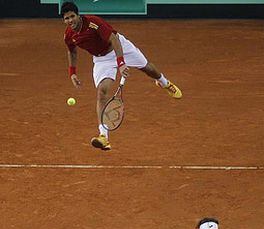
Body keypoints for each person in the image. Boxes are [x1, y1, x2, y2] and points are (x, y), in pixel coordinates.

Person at [61, 1, 182, 151]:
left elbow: (114, 39)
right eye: (66, 18)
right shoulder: (69, 35)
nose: (70, 20)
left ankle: (164, 82)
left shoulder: (94, 22)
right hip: (101, 60)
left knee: (148, 69)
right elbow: (71, 51)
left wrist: (121, 63)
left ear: (78, 15)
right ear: (63, 20)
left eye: (72, 16)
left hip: (120, 48)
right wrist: (72, 73)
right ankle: (103, 136)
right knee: (101, 93)